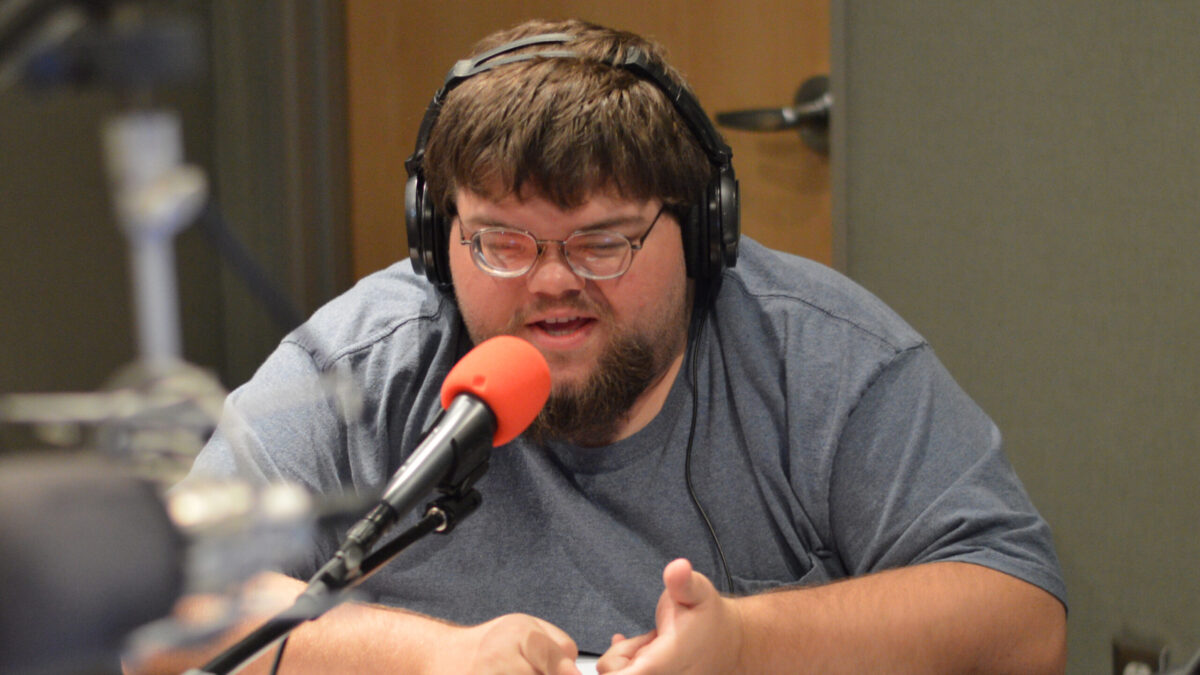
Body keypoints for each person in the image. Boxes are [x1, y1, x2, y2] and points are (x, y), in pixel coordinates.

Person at [163, 17, 1067, 675]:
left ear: (705, 237)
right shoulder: (365, 361)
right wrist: (432, 658)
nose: (550, 281)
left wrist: (749, 645)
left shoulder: (824, 358)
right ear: (437, 239)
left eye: (602, 241)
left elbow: (1020, 618)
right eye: (501, 242)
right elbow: (162, 610)